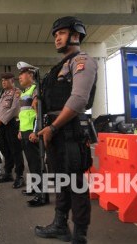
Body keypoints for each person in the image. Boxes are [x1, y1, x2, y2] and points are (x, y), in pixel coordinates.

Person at [34, 16, 98, 244]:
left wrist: (53, 126)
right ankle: (60, 225)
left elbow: (79, 99)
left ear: (76, 35)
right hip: (56, 131)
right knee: (60, 179)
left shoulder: (82, 61)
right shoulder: (58, 68)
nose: (56, 38)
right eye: (55, 35)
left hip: (69, 131)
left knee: (76, 183)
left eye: (61, 33)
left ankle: (80, 235)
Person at [16, 63, 49, 207]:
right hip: (24, 131)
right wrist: (19, 130)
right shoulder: (25, 92)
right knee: (31, 162)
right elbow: (23, 113)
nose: (19, 77)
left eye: (22, 74)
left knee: (37, 163)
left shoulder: (36, 90)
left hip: (32, 131)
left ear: (30, 75)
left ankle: (42, 194)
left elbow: (38, 113)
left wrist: (36, 131)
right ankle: (34, 188)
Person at [0, 72, 25, 188]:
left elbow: (14, 109)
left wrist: (1, 120)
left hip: (11, 124)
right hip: (2, 126)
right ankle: (8, 173)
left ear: (12, 81)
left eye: (6, 80)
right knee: (5, 149)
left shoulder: (16, 93)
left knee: (15, 150)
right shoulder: (3, 93)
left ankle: (19, 176)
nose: (3, 82)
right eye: (2, 80)